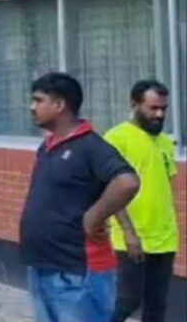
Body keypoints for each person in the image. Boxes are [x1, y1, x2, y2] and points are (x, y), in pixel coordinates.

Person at [19, 73, 140, 322]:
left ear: (59, 105)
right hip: (43, 266)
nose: (32, 107)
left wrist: (93, 218)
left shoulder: (90, 146)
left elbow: (126, 182)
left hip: (77, 272)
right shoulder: (48, 146)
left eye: (38, 100)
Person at [105, 80, 179, 322]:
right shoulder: (116, 138)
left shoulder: (165, 142)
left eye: (163, 109)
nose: (159, 114)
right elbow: (108, 189)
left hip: (164, 239)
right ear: (135, 104)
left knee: (157, 305)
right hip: (132, 238)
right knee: (128, 300)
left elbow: (165, 187)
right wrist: (129, 232)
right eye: (153, 108)